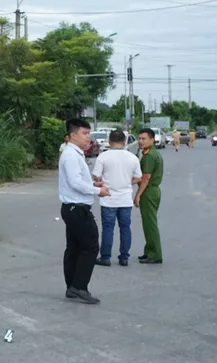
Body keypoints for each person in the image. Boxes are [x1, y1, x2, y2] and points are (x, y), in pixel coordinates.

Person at [58, 118, 110, 304]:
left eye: (89, 133)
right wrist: (98, 191)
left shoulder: (74, 154)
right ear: (73, 135)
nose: (88, 137)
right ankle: (79, 287)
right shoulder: (71, 155)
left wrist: (93, 184)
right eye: (85, 133)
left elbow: (78, 181)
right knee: (90, 246)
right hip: (77, 209)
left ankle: (72, 287)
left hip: (72, 208)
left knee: (74, 248)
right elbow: (75, 183)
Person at [92, 129, 143, 267]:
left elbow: (96, 176)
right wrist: (127, 182)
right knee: (125, 228)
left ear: (109, 141)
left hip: (108, 198)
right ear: (124, 141)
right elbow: (138, 177)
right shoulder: (133, 158)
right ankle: (124, 257)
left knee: (108, 228)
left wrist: (102, 181)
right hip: (125, 198)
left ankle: (106, 257)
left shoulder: (103, 157)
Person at [134, 127, 164, 265]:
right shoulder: (149, 153)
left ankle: (155, 254)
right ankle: (149, 251)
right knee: (148, 224)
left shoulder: (150, 156)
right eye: (139, 138)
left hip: (149, 191)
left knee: (150, 224)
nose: (140, 141)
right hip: (152, 190)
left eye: (143, 139)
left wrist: (138, 195)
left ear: (152, 140)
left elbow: (145, 177)